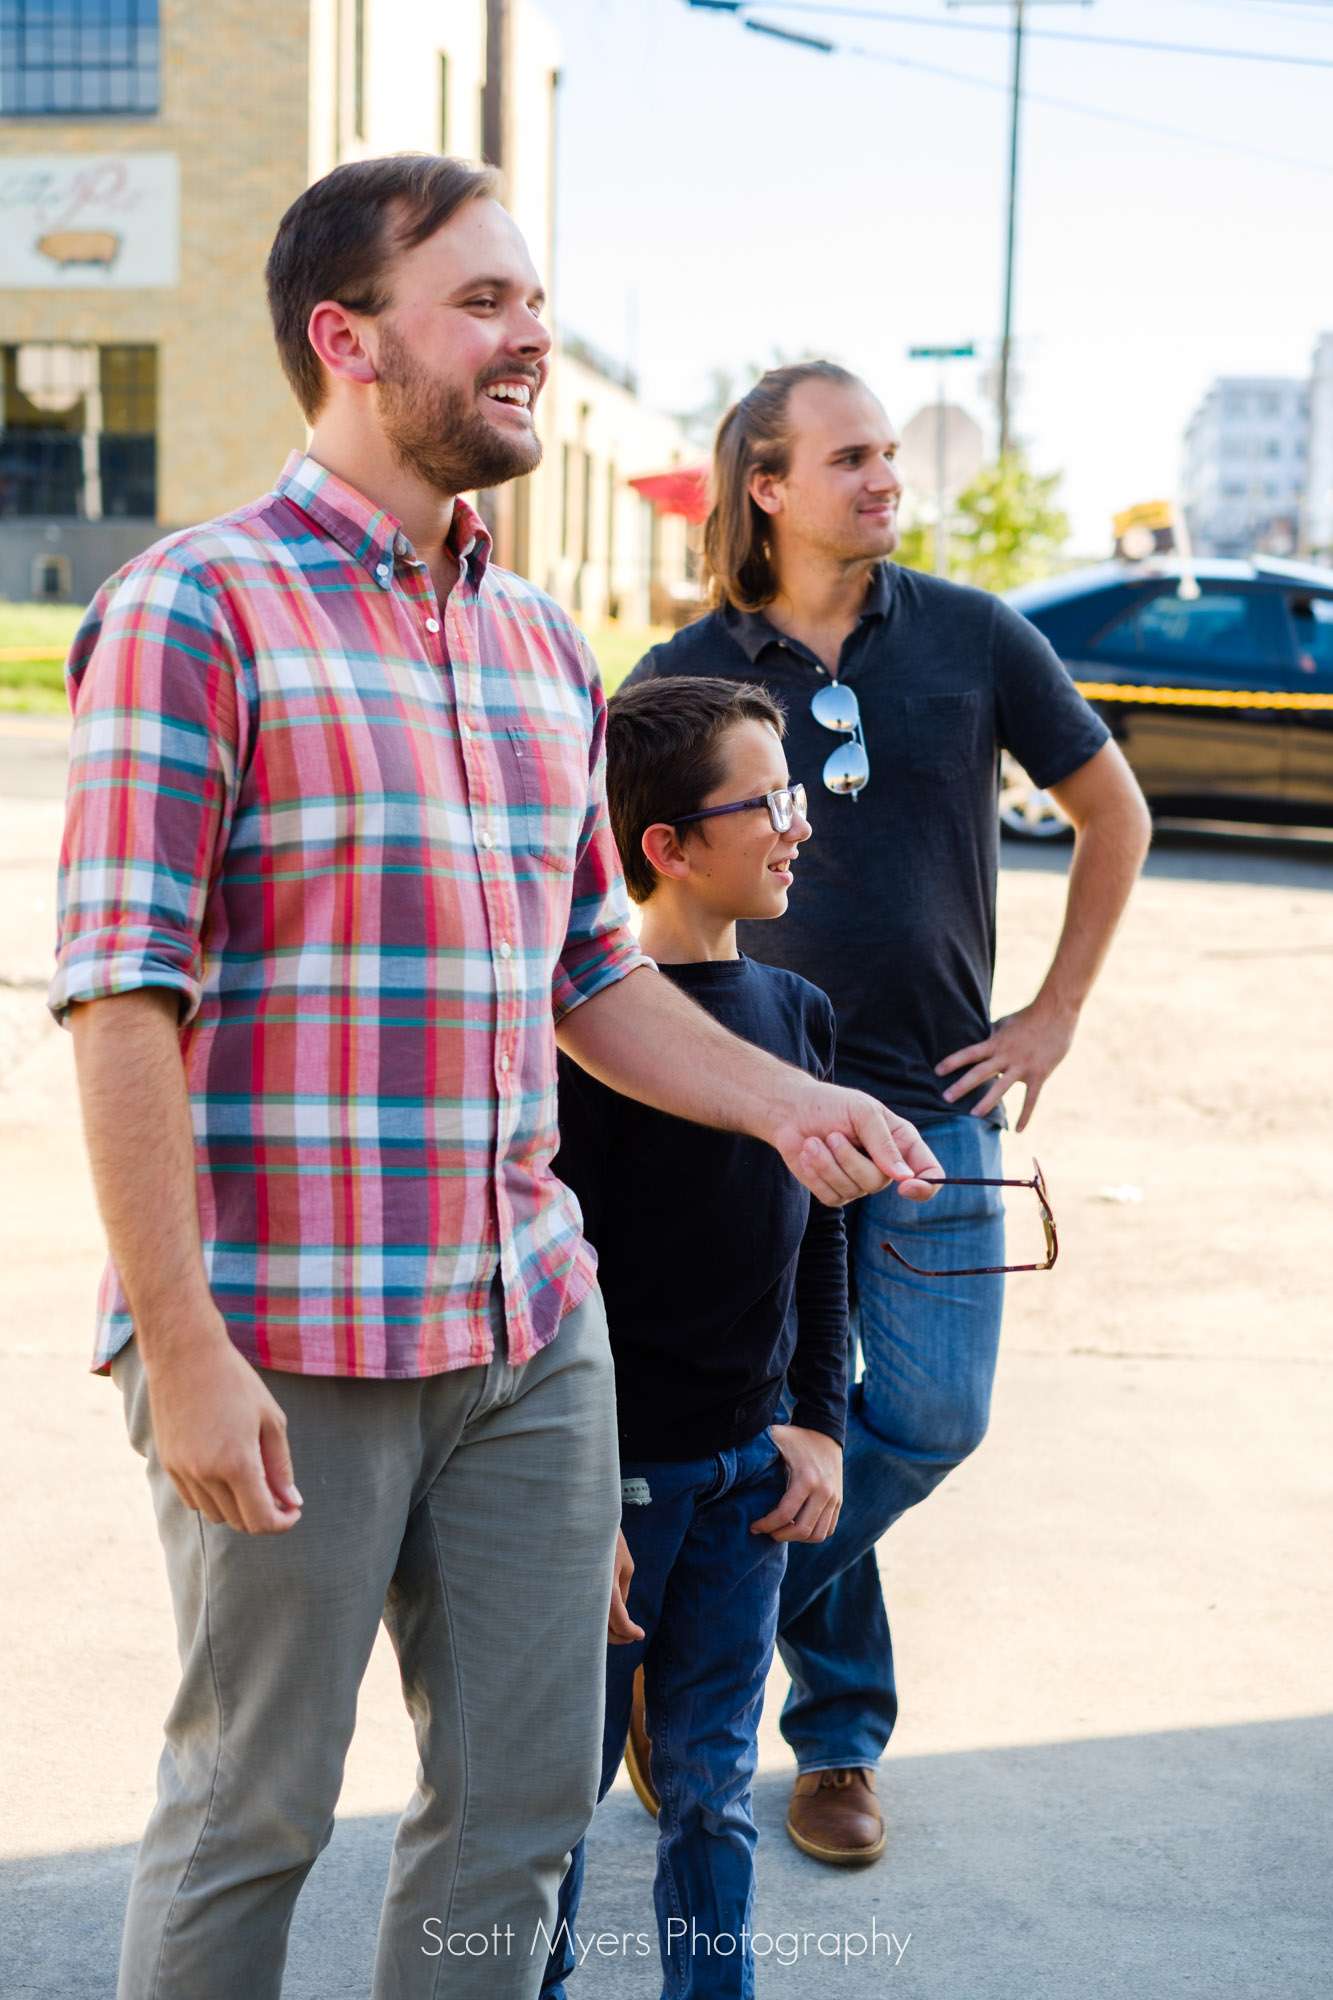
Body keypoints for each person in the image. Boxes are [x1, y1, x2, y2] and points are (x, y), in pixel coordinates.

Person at [51, 169, 941, 2000]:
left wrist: (787, 1107)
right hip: (284, 1331)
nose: (533, 332)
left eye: (534, 296)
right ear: (347, 340)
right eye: (482, 302)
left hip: (532, 1323)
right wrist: (182, 1340)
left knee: (525, 1800)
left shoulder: (542, 648)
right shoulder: (194, 607)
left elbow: (588, 978)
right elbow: (122, 997)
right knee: (255, 1809)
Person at [626, 360, 1152, 1866]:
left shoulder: (976, 637)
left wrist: (1050, 1013)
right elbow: (624, 874)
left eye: (885, 456)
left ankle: (700, 1620)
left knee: (926, 1413)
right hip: (744, 1110)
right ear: (766, 487)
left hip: (933, 1108)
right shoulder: (684, 667)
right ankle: (838, 1739)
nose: (884, 478)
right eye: (849, 456)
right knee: (791, 1414)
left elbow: (1113, 811)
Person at [539, 676, 848, 2000]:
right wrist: (572, 1498)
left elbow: (822, 1242)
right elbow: (565, 1278)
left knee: (714, 1790)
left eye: (796, 793)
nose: (799, 827)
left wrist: (817, 1425)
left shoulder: (796, 1017)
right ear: (662, 845)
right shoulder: (588, 1043)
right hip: (609, 1489)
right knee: (544, 1807)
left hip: (742, 1487)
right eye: (767, 801)